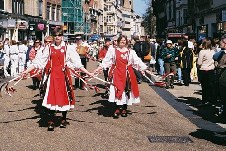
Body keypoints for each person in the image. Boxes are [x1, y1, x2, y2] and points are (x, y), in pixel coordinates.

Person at [22, 29, 93, 131]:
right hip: (52, 77)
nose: (57, 37)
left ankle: (63, 119)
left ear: (62, 36)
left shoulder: (68, 48)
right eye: (55, 35)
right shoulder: (49, 48)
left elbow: (77, 63)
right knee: (51, 97)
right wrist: (26, 71)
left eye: (59, 35)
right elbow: (39, 62)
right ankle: (51, 121)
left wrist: (88, 73)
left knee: (64, 97)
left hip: (63, 77)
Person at [93, 35, 147, 118]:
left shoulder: (131, 52)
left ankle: (124, 108)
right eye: (121, 40)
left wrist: (143, 68)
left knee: (126, 90)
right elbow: (106, 61)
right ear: (117, 41)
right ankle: (117, 109)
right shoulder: (113, 51)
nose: (123, 41)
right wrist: (99, 68)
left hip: (127, 73)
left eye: (124, 40)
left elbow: (137, 61)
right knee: (116, 90)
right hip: (116, 73)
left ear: (127, 42)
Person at [197, 39, 215, 105]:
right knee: (210, 86)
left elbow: (199, 63)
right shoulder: (213, 51)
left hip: (203, 69)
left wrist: (198, 66)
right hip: (211, 70)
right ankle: (210, 100)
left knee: (204, 87)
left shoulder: (202, 52)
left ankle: (204, 101)